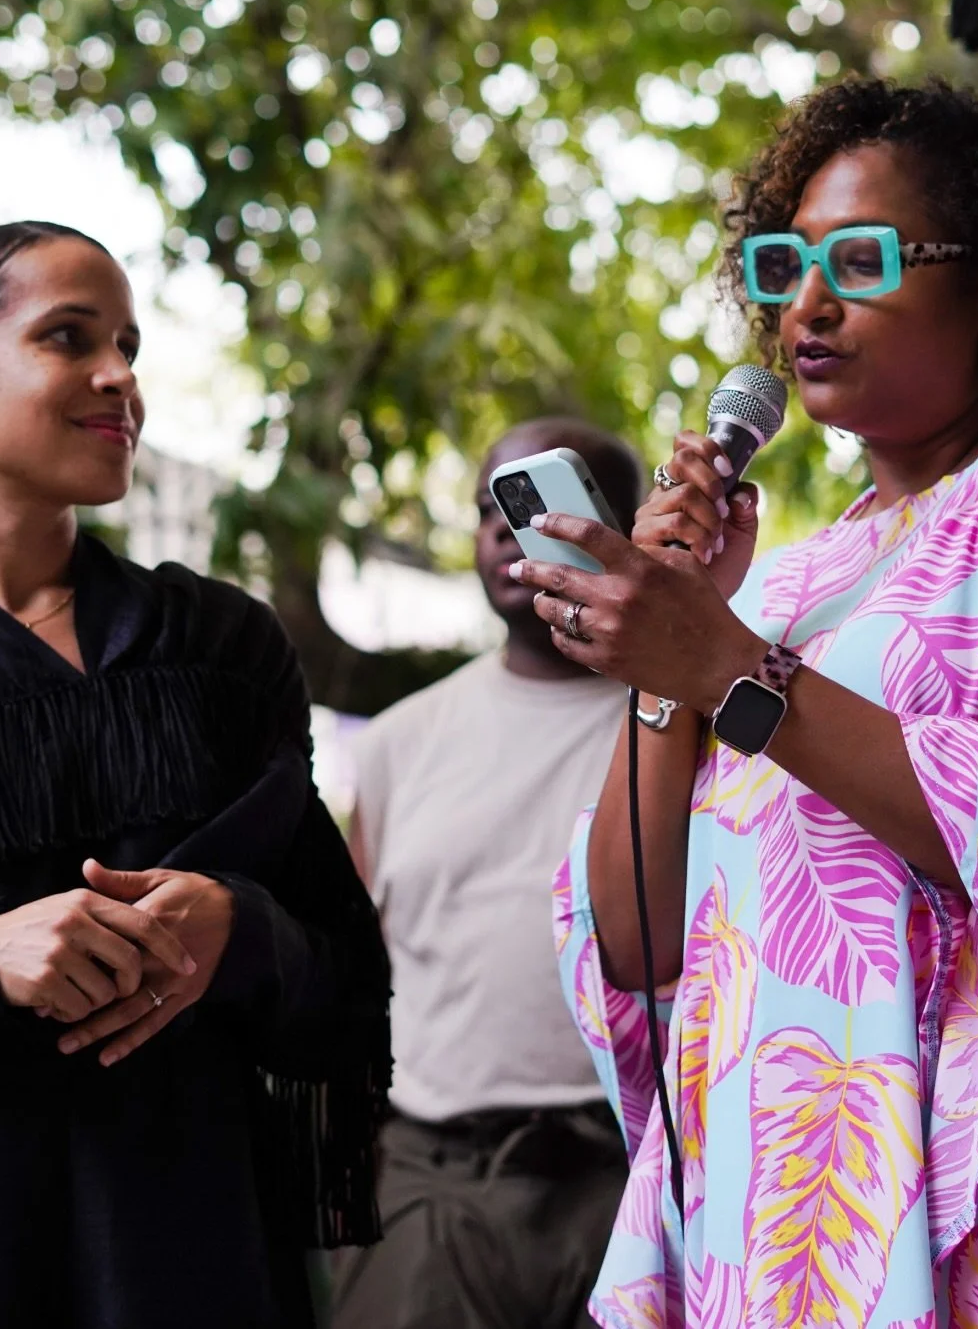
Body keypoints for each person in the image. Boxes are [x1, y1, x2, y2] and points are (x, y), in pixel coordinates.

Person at [508, 79, 978, 1326]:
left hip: (972, 1203)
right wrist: (676, 661)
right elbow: (636, 943)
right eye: (785, 265)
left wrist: (721, 663)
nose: (807, 307)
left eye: (862, 261)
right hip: (778, 1210)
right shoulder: (788, 581)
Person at [0, 222, 391, 1329]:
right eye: (69, 338)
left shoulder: (219, 647)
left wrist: (238, 929)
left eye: (127, 342)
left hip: (204, 1263)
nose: (120, 376)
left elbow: (347, 996)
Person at [331, 418, 642, 1329]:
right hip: (431, 1189)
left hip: (632, 1181)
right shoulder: (396, 744)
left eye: (538, 498)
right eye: (489, 510)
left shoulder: (685, 728)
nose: (509, 527)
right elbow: (356, 976)